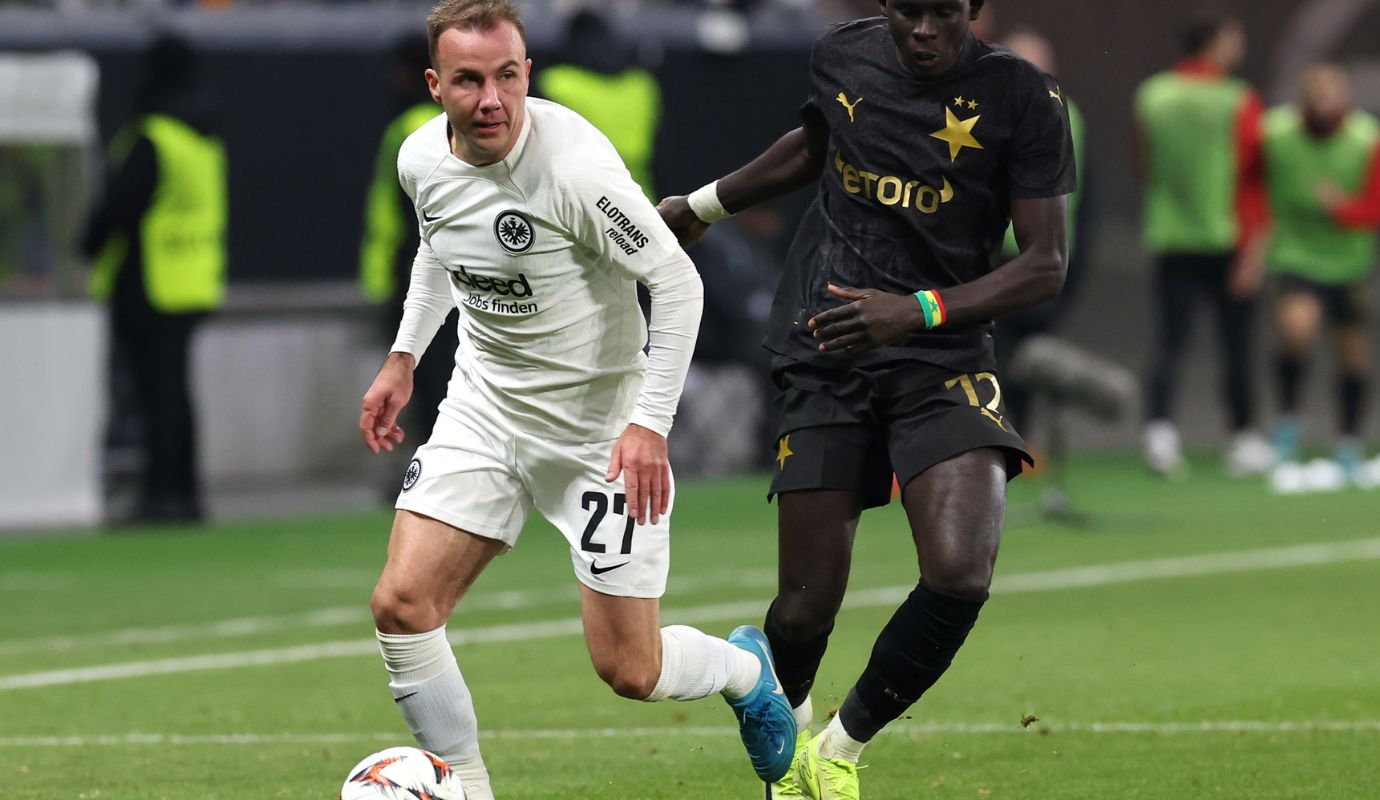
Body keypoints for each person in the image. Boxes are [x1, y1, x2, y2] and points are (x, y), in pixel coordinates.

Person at [355, 3, 795, 798]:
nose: (492, 99)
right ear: (434, 86)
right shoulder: (421, 158)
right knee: (403, 604)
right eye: (469, 81)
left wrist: (648, 425)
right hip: (484, 410)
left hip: (601, 431)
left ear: (527, 71)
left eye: (508, 76)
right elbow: (437, 245)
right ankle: (471, 790)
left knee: (630, 669)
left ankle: (742, 670)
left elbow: (677, 282)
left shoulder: (574, 171)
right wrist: (403, 357)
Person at [660, 0, 1074, 796]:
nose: (923, 30)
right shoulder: (841, 57)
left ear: (974, 9)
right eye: (907, 11)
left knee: (960, 571)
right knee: (806, 609)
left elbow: (1045, 263)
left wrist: (917, 309)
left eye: (942, 13)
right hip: (830, 343)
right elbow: (817, 146)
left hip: (940, 352)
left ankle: (836, 752)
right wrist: (706, 205)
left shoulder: (1024, 97)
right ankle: (780, 733)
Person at [82, 33, 227, 524]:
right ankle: (182, 492)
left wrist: (87, 244)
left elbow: (121, 208)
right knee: (176, 393)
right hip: (194, 279)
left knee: (153, 394)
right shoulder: (202, 138)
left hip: (149, 280)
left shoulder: (151, 136)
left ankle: (159, 495)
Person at [1133, 14, 1270, 478]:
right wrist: (1254, 248)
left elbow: (1143, 163)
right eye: (1234, 37)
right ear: (1214, 43)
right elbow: (1252, 177)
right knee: (1236, 345)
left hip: (1172, 238)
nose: (1241, 43)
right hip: (1228, 237)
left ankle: (1159, 435)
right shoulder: (1238, 100)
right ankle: (1246, 438)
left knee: (1169, 341)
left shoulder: (1153, 94)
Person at [1261, 64, 1380, 482]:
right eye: (1314, 97)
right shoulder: (1276, 133)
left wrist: (1342, 209)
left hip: (1348, 262)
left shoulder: (1367, 138)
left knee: (1352, 353)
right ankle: (1287, 424)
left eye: (1331, 97)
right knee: (1297, 329)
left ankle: (1349, 441)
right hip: (1296, 254)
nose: (1323, 106)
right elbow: (1250, 182)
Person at [359, 35, 458, 449]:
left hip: (419, 269)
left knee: (428, 378)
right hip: (472, 269)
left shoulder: (406, 130)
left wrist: (382, 280)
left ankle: (434, 467)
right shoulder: (461, 124)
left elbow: (393, 212)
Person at [992, 27, 1090, 439]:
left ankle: (1022, 437)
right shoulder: (979, 114)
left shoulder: (1069, 118)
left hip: (1040, 259)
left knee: (1030, 358)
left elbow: (1085, 197)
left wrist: (1071, 266)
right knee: (990, 352)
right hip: (990, 260)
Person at [534, 9, 662, 200]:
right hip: (640, 201)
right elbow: (663, 160)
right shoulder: (642, 85)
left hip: (581, 204)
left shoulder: (554, 83)